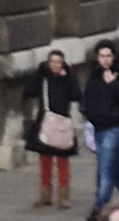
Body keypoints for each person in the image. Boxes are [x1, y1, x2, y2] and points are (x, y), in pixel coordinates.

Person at [82, 39, 119, 220]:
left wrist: (112, 86)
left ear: (114, 57)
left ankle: (100, 206)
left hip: (116, 127)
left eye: (108, 56)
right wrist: (90, 118)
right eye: (101, 56)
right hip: (99, 128)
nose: (105, 60)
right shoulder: (94, 78)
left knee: (105, 168)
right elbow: (88, 101)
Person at [25, 49, 84, 208]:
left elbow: (76, 95)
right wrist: (39, 73)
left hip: (62, 124)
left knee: (63, 161)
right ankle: (45, 195)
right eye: (53, 62)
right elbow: (29, 91)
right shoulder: (43, 80)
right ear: (48, 63)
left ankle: (64, 196)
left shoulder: (67, 79)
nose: (56, 65)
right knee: (45, 160)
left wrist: (70, 75)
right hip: (45, 122)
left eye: (59, 62)